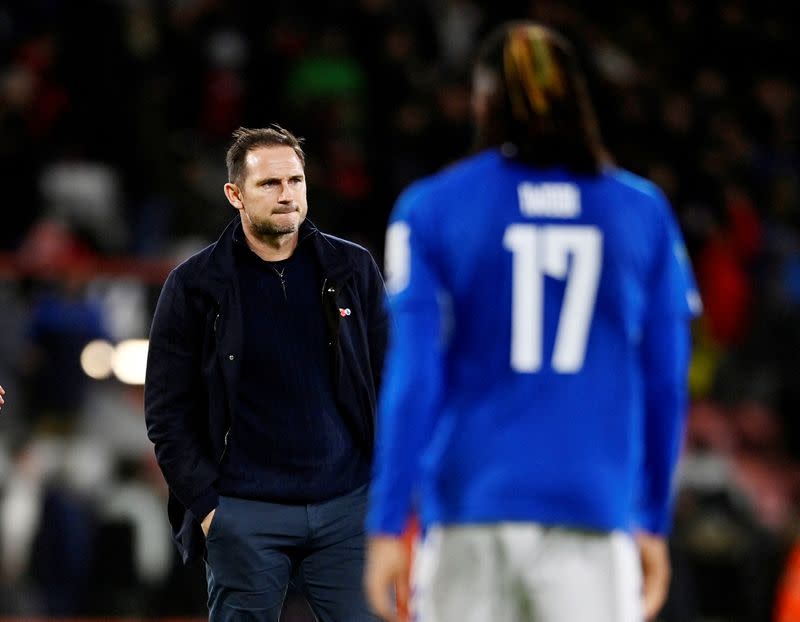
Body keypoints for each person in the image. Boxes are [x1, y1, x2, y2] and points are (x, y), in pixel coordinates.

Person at [364, 20, 702, 622]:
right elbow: (666, 381)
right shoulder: (642, 212)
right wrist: (652, 518)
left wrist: (389, 521)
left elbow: (414, 377)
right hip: (592, 513)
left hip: (470, 508)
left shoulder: (432, 207)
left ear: (484, 102)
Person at [145, 124, 387, 621]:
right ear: (235, 193)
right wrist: (213, 510)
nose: (287, 195)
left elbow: (391, 385)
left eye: (295, 181)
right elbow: (167, 414)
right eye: (269, 184)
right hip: (243, 512)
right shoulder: (193, 286)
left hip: (348, 508)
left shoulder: (353, 269)